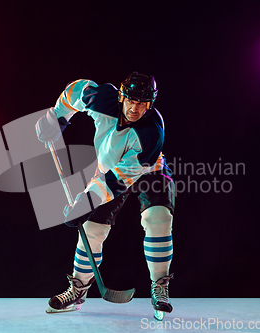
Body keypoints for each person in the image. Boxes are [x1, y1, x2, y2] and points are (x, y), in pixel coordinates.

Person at [36, 72, 176, 317]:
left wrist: (86, 200)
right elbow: (76, 90)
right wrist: (58, 116)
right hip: (108, 171)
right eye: (130, 100)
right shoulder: (101, 99)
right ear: (121, 96)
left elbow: (119, 180)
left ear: (150, 104)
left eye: (142, 103)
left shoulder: (152, 132)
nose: (134, 108)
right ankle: (78, 290)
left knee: (158, 219)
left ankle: (159, 286)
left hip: (147, 170)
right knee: (92, 229)